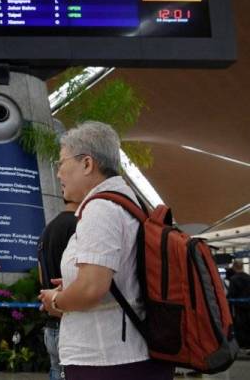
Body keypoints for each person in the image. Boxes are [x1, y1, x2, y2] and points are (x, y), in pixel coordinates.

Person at [39, 122, 174, 380]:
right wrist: (71, 286)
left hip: (108, 360)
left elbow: (91, 289)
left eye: (61, 163)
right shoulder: (127, 204)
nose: (58, 174)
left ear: (87, 164)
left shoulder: (101, 209)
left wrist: (55, 301)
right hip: (130, 355)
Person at [38, 199, 78, 380]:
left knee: (56, 371)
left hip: (51, 327)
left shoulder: (46, 230)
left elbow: (41, 276)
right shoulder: (81, 225)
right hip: (72, 324)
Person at [228, 260, 250, 349]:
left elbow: (231, 294)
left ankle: (242, 344)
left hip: (238, 307)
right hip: (249, 306)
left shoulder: (233, 279)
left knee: (240, 326)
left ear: (234, 267)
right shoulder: (249, 277)